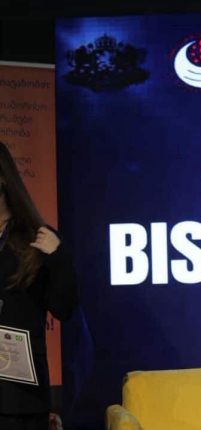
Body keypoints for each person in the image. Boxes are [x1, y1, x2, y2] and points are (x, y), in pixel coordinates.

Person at [0, 141, 78, 430]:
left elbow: (63, 308)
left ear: (3, 179)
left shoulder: (37, 239)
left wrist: (59, 258)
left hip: (20, 395)